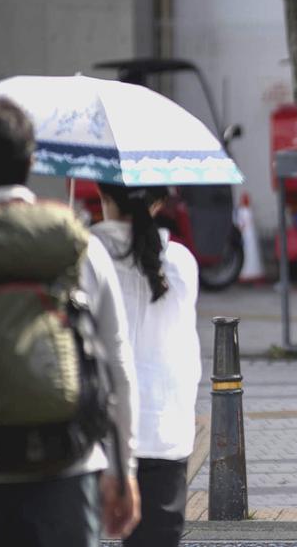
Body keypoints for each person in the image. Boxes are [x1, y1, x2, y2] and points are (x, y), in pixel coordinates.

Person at [0, 97, 141, 545]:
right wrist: (123, 470)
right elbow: (119, 369)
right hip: (67, 475)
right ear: (31, 161)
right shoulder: (78, 245)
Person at [91, 183, 201, 547]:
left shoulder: (84, 256)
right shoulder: (181, 261)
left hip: (96, 433)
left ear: (103, 197)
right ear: (158, 202)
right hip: (163, 429)